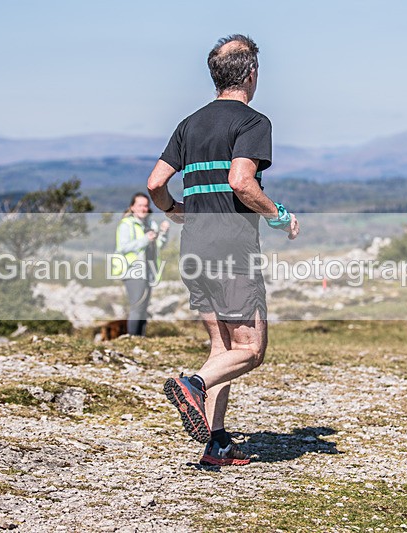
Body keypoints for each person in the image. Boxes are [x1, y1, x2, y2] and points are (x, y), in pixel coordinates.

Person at [147, 34, 300, 466]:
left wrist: (173, 209)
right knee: (250, 350)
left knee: (222, 348)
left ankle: (217, 445)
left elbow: (155, 183)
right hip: (232, 249)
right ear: (251, 74)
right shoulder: (253, 122)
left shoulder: (189, 124)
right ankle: (193, 384)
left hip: (193, 247)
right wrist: (279, 215)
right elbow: (241, 181)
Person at [114, 192, 169, 336]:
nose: (143, 208)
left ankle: (141, 338)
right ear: (132, 207)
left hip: (149, 271)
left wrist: (163, 233)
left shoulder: (151, 224)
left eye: (145, 206)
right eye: (140, 205)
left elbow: (159, 246)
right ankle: (133, 338)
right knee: (137, 307)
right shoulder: (126, 224)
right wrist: (145, 239)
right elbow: (123, 247)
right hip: (133, 270)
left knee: (144, 308)